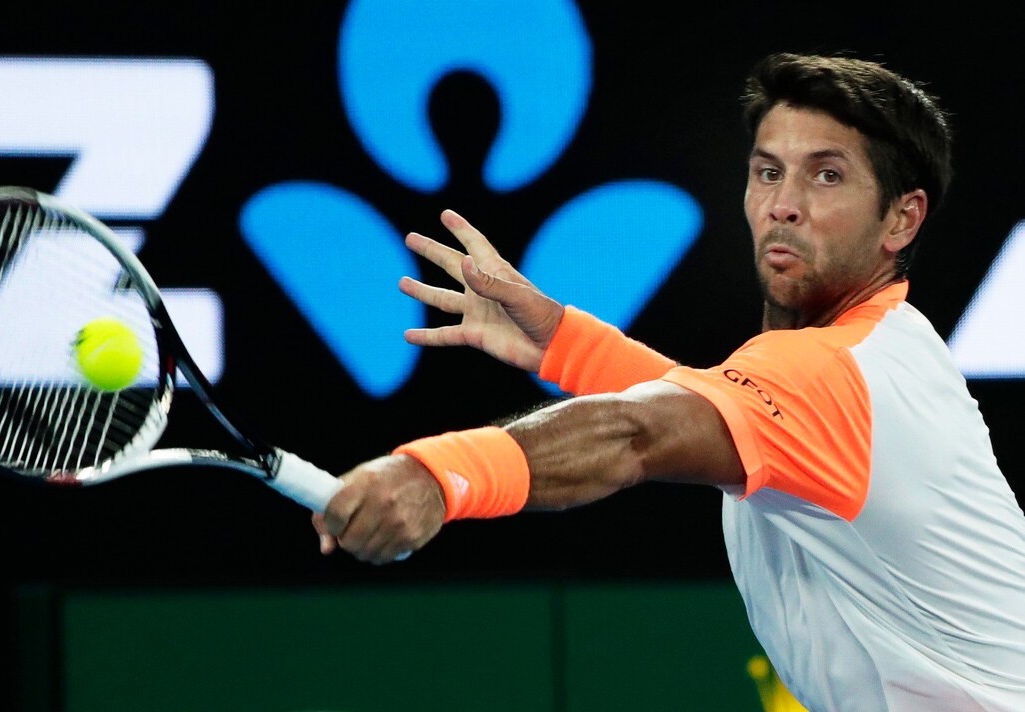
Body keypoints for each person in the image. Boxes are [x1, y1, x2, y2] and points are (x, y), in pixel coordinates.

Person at [312, 52, 1025, 710]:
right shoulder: (875, 356)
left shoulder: (833, 373)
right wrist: (565, 343)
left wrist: (439, 476)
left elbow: (638, 434)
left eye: (827, 176)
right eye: (768, 171)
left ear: (902, 218)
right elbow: (712, 411)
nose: (784, 203)